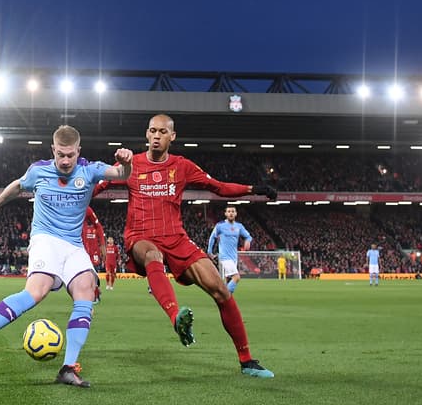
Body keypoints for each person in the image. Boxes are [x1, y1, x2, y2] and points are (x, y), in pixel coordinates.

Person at [0, 126, 133, 388]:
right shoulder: (39, 170)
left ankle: (68, 367)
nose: (66, 161)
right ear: (53, 151)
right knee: (37, 291)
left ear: (78, 151)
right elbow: (17, 185)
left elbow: (120, 174)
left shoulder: (89, 170)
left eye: (70, 155)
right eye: (61, 155)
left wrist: (126, 163)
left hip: (73, 245)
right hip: (45, 239)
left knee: (86, 289)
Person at [98, 114, 276, 379]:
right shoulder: (130, 164)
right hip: (141, 235)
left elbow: (218, 187)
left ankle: (247, 360)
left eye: (162, 132)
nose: (156, 136)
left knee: (220, 290)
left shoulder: (181, 166)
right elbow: (96, 185)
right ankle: (176, 319)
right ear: (146, 135)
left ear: (172, 136)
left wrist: (254, 188)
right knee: (153, 255)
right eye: (152, 131)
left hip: (177, 237)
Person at [207, 205, 252, 294]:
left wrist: (248, 241)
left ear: (236, 214)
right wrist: (209, 251)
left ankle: (227, 301)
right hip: (224, 257)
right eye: (229, 211)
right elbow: (212, 237)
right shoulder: (220, 226)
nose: (231, 213)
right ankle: (224, 297)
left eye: (232, 211)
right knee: (236, 277)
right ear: (225, 214)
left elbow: (248, 236)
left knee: (228, 280)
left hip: (234, 257)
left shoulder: (239, 226)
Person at [82, 207, 103, 300]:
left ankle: (95, 292)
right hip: (76, 248)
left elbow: (98, 226)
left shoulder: (86, 209)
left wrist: (102, 245)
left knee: (91, 272)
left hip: (89, 251)